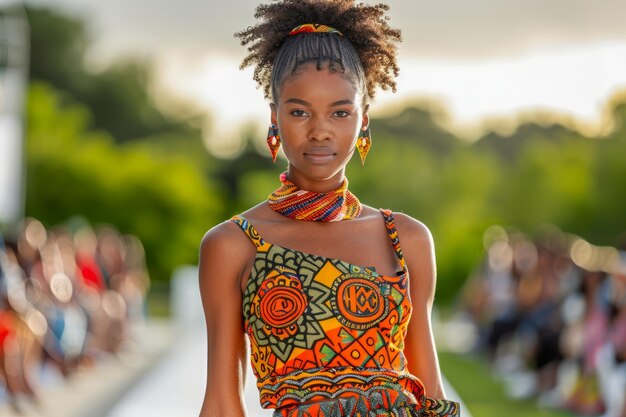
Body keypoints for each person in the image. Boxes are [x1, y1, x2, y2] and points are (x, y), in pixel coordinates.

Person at [198, 1, 460, 416]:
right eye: (300, 111)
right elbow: (221, 403)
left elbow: (430, 392)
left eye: (340, 112)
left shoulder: (406, 237)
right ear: (274, 117)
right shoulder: (232, 244)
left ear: (364, 120)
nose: (319, 131)